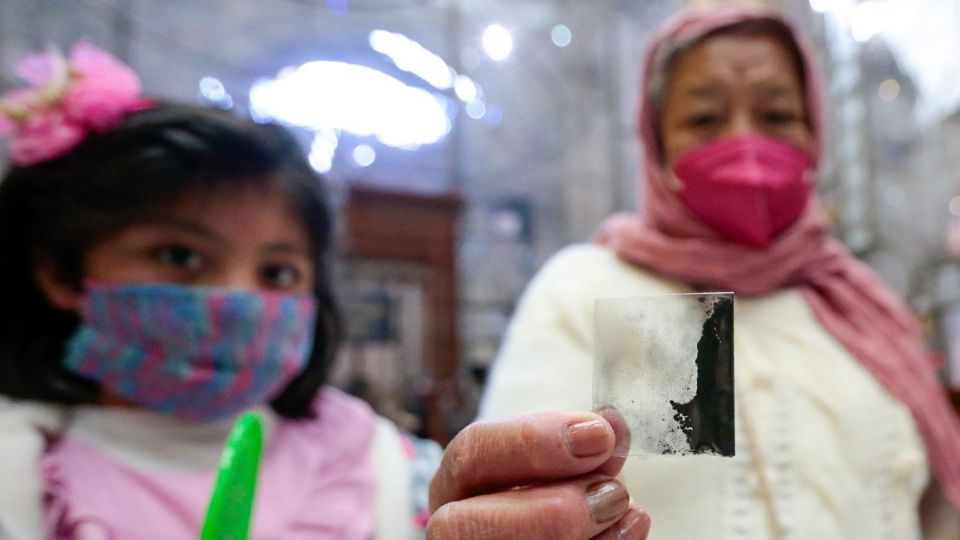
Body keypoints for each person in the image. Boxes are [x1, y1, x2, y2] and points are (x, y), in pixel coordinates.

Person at [0, 44, 651, 539]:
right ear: (59, 272)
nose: (238, 299)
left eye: (278, 272)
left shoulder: (379, 466)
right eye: (181, 257)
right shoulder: (21, 468)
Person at [480, 6, 960, 540]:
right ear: (657, 145)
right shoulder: (620, 292)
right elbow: (544, 507)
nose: (745, 143)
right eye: (705, 118)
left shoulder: (857, 305)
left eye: (776, 115)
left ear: (816, 133)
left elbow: (918, 501)